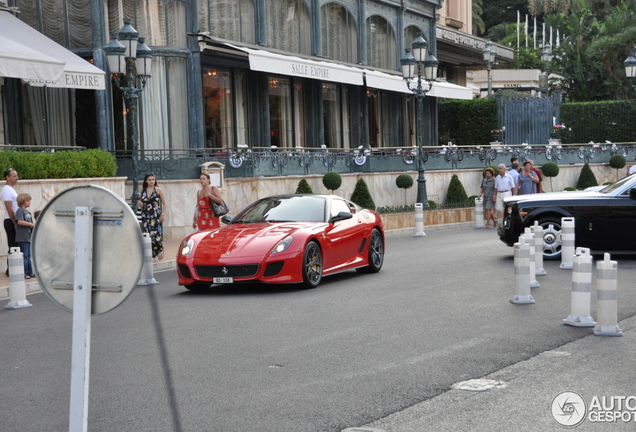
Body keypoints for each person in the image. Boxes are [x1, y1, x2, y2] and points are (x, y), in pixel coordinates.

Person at [137, 173, 167, 261]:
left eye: (153, 179)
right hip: (145, 215)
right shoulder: (143, 190)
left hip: (155, 216)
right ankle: (153, 255)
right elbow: (140, 201)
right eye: (149, 180)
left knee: (155, 235)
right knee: (148, 235)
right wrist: (139, 202)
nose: (151, 181)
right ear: (146, 181)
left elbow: (165, 203)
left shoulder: (158, 190)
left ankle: (160, 249)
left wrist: (163, 214)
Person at [3, 168, 19, 276]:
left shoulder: (11, 189)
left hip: (13, 220)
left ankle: (14, 268)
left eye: (16, 175)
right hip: (10, 220)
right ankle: (10, 270)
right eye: (14, 176)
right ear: (7, 178)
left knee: (16, 245)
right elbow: (9, 209)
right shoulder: (6, 190)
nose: (16, 178)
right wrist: (15, 223)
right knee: (12, 244)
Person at [15, 193, 35, 279]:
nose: (29, 202)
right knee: (25, 255)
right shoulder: (20, 211)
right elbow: (19, 221)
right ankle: (26, 273)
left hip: (28, 237)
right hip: (23, 237)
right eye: (28, 201)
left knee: (28, 256)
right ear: (23, 202)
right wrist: (31, 224)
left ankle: (30, 272)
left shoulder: (27, 212)